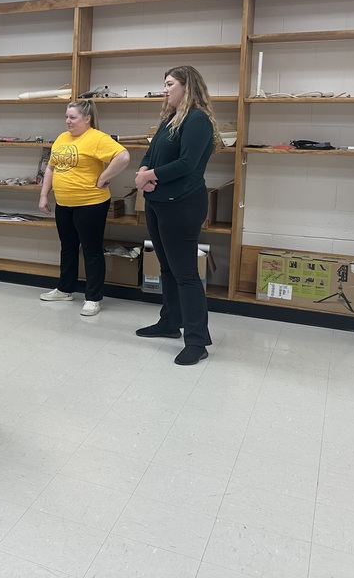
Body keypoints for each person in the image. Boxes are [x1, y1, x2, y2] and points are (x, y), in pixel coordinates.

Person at [134, 65, 220, 365]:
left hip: (182, 204)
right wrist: (144, 171)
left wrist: (151, 175)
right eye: (165, 84)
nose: (165, 89)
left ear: (188, 86)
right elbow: (150, 152)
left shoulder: (197, 120)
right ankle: (170, 322)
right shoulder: (171, 118)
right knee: (167, 268)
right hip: (159, 202)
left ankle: (197, 341)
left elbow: (186, 164)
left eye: (170, 84)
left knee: (185, 274)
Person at [38, 101, 130, 316]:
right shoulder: (62, 138)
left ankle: (93, 298)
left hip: (90, 204)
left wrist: (104, 178)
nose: (68, 121)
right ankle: (65, 288)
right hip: (64, 203)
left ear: (86, 118)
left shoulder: (97, 138)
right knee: (68, 247)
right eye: (66, 117)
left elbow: (123, 157)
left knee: (91, 250)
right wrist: (44, 195)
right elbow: (51, 168)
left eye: (72, 117)